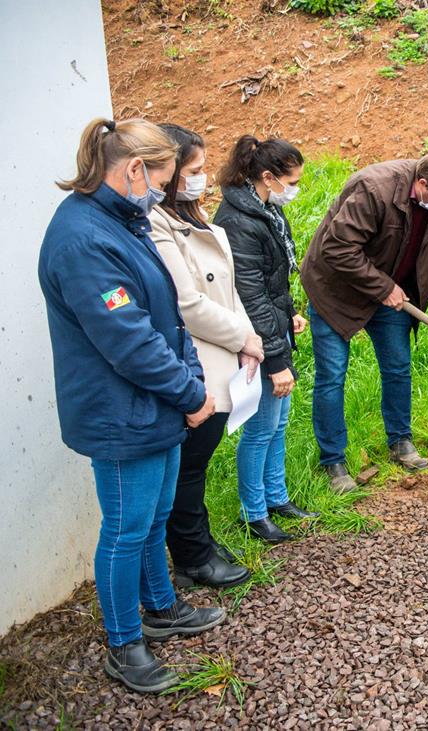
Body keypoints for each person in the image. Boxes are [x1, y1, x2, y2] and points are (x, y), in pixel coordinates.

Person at [38, 118, 227, 694]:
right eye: (162, 179)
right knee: (126, 528)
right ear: (134, 169)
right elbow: (128, 339)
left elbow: (163, 314)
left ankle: (161, 607)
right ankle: (124, 644)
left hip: (155, 402)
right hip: (120, 411)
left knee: (153, 516)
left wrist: (189, 379)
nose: (164, 193)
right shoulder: (82, 240)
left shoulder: (124, 217)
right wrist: (193, 393)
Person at [300, 151, 428, 491]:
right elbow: (338, 247)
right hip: (337, 290)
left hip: (394, 295)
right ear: (422, 185)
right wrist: (382, 286)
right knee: (333, 375)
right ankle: (333, 462)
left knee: (397, 366)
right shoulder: (374, 188)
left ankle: (400, 441)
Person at [149, 123, 262, 588]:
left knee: (198, 461)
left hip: (226, 351)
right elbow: (189, 302)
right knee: (189, 466)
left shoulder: (193, 218)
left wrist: (247, 339)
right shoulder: (158, 223)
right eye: (192, 169)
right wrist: (245, 339)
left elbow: (229, 292)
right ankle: (193, 557)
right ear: (169, 172)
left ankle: (199, 542)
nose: (201, 177)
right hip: (200, 359)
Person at [213, 135, 318, 544]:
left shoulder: (266, 212)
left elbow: (273, 280)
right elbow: (250, 295)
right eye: (292, 181)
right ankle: (253, 513)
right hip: (257, 343)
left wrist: (289, 311)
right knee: (260, 429)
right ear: (268, 177)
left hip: (273, 330)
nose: (294, 190)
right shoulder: (239, 221)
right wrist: (274, 361)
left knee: (279, 423)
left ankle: (276, 497)